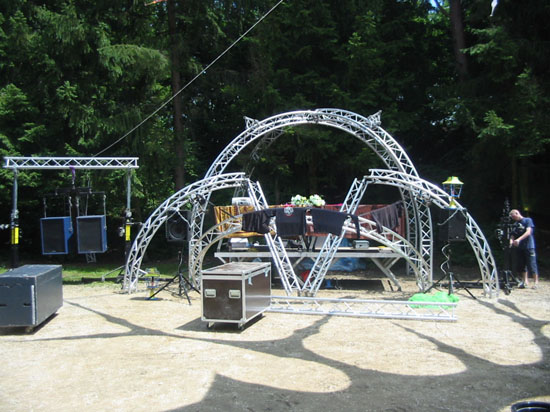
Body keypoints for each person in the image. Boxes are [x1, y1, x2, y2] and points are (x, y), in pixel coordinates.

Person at [509, 209, 539, 289]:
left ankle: (536, 282)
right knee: (522, 265)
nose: (513, 218)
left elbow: (528, 232)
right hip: (520, 248)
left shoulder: (527, 220)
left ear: (517, 213)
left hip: (529, 246)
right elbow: (512, 235)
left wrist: (519, 239)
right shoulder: (515, 224)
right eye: (512, 217)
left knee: (532, 264)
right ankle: (525, 281)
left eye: (514, 216)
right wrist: (511, 242)